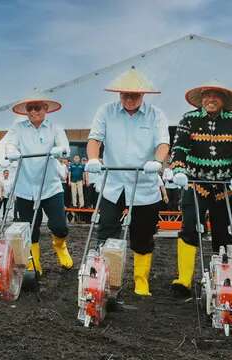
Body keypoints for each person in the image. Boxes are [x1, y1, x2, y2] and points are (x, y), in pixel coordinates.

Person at [86, 69, 169, 296]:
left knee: (142, 234)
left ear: (143, 94)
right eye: (125, 95)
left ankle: (141, 280)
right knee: (107, 230)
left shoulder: (156, 115)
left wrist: (157, 161)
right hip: (112, 182)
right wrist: (94, 158)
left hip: (144, 182)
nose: (129, 99)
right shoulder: (106, 111)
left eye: (134, 95)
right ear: (119, 94)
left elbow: (163, 143)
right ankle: (107, 279)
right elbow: (94, 138)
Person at [169, 82, 232, 297]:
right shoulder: (188, 119)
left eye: (216, 96)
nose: (211, 99)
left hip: (226, 187)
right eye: (207, 96)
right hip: (195, 183)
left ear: (224, 100)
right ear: (201, 99)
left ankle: (222, 277)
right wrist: (178, 169)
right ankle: (184, 280)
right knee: (189, 227)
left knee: (223, 232)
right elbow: (179, 148)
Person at [6, 91, 73, 273]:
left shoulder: (55, 128)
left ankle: (60, 246)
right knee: (29, 228)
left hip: (50, 186)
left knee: (59, 225)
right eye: (30, 108)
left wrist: (59, 150)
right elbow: (10, 144)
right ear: (26, 111)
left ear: (45, 109)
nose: (34, 111)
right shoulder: (18, 128)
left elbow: (65, 147)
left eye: (38, 107)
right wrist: (11, 151)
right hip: (25, 187)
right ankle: (33, 263)